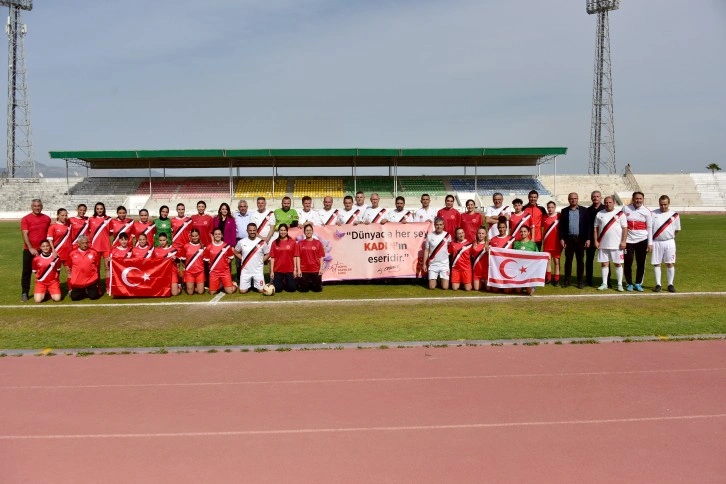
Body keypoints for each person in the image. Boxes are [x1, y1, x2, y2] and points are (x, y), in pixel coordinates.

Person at [20, 199, 52, 302]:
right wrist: (30, 247)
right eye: (35, 206)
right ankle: (25, 292)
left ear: (42, 207)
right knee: (27, 271)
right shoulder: (26, 219)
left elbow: (49, 233)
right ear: (31, 207)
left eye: (39, 206)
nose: (37, 207)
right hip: (29, 250)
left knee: (45, 271)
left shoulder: (47, 218)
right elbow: (25, 234)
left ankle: (46, 290)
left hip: (44, 250)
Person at [593, 195, 627, 292]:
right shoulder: (599, 213)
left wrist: (623, 241)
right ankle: (604, 283)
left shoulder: (620, 214)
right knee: (604, 264)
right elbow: (595, 228)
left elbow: (625, 228)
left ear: (614, 203)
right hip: (603, 243)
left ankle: (620, 284)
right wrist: (595, 240)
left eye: (610, 202)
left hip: (617, 244)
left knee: (618, 264)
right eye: (606, 203)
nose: (608, 204)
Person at [559, 193, 590, 289]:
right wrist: (561, 239)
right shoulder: (564, 211)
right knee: (568, 261)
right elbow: (561, 227)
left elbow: (588, 226)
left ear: (578, 199)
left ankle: (580, 281)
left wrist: (588, 239)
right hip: (569, 239)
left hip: (580, 239)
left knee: (580, 261)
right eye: (571, 199)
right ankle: (567, 281)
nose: (573, 200)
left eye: (575, 198)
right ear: (568, 200)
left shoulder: (584, 210)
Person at [622, 191, 653, 292]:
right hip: (628, 240)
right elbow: (622, 225)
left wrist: (650, 243)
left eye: (640, 199)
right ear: (633, 199)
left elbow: (649, 228)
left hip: (642, 240)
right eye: (636, 198)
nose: (638, 200)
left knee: (641, 263)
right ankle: (629, 283)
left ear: (643, 199)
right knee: (628, 262)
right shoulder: (626, 208)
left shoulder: (647, 211)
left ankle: (638, 283)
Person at [651, 195, 680, 293]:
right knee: (657, 263)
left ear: (669, 204)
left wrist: (668, 236)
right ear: (659, 204)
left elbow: (677, 229)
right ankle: (658, 284)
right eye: (661, 204)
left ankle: (670, 284)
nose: (663, 206)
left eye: (665, 204)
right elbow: (650, 228)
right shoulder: (653, 213)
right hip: (656, 242)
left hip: (669, 242)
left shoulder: (674, 215)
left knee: (669, 263)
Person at [234, 223, 270, 294]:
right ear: (247, 230)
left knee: (261, 291)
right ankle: (235, 284)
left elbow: (268, 254)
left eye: (254, 230)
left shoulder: (262, 242)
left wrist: (261, 261)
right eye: (250, 230)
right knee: (242, 291)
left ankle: (254, 284)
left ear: (256, 230)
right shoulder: (241, 242)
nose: (252, 232)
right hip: (245, 271)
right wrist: (243, 259)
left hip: (258, 271)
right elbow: (236, 252)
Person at [67, 235, 102, 301]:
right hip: (78, 281)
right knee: (74, 298)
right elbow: (70, 265)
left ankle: (91, 289)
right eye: (83, 243)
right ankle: (83, 291)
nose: (85, 245)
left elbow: (97, 265)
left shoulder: (94, 252)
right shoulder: (72, 253)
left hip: (90, 281)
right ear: (78, 244)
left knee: (94, 297)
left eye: (86, 243)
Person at [204, 228, 236, 295]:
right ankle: (221, 284)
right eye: (215, 234)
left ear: (222, 235)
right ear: (213, 236)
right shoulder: (209, 247)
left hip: (225, 272)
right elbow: (207, 260)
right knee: (212, 292)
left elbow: (231, 258)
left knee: (229, 291)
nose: (217, 235)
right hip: (214, 273)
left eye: (219, 234)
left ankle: (234, 284)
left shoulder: (227, 246)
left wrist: (224, 264)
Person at [422, 217, 451, 290]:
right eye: (437, 225)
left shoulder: (448, 236)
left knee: (445, 287)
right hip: (433, 264)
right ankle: (435, 280)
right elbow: (426, 250)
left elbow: (451, 249)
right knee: (431, 287)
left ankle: (441, 280)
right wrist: (424, 264)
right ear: (434, 225)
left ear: (443, 225)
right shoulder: (430, 236)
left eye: (441, 225)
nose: (439, 226)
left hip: (444, 264)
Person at [295, 223, 325, 292]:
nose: (308, 232)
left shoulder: (318, 243)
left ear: (312, 231)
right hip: (304, 270)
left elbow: (321, 257)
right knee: (304, 290)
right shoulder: (300, 243)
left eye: (310, 230)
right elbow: (298, 257)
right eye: (307, 230)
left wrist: (321, 268)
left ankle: (316, 284)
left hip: (315, 270)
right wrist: (298, 269)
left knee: (317, 290)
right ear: (304, 232)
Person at [586, 190, 607, 286]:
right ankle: (588, 280)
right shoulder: (588, 210)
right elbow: (586, 226)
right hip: (591, 238)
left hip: (604, 239)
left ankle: (606, 281)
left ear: (600, 198)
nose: (595, 198)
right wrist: (588, 239)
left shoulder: (605, 209)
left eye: (597, 196)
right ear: (591, 198)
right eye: (594, 196)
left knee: (605, 260)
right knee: (589, 260)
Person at [269, 224, 297, 292]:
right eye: (281, 230)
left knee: (292, 289)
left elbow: (295, 256)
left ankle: (287, 282)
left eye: (284, 230)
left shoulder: (292, 242)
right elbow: (272, 258)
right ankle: (281, 283)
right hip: (278, 270)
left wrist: (295, 269)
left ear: (287, 231)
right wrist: (272, 271)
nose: (283, 232)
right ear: (279, 231)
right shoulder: (274, 243)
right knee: (278, 289)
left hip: (289, 270)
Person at [47, 208, 72, 284]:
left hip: (68, 253)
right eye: (62, 215)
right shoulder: (53, 226)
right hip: (57, 253)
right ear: (58, 215)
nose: (64, 217)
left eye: (66, 215)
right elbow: (50, 240)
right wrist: (53, 251)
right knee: (56, 272)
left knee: (69, 271)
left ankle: (71, 289)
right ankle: (56, 288)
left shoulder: (69, 224)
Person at [512, 226, 538, 295]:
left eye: (525, 231)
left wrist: (546, 256)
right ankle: (521, 285)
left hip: (529, 271)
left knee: (529, 292)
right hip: (519, 271)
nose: (523, 233)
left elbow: (538, 257)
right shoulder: (516, 244)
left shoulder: (533, 244)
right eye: (521, 231)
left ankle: (532, 285)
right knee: (517, 291)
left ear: (528, 232)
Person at [88, 202, 112, 275]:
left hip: (106, 246)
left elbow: (111, 233)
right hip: (95, 247)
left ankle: (108, 286)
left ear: (104, 209)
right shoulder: (91, 219)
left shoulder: (108, 219)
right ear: (95, 210)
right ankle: (97, 286)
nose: (99, 210)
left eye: (101, 209)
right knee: (96, 267)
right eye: (97, 209)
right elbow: (88, 232)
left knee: (108, 267)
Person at [180, 228, 205, 295]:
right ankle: (188, 286)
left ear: (199, 236)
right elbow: (183, 259)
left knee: (200, 292)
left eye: (196, 235)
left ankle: (195, 286)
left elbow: (206, 259)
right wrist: (185, 268)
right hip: (189, 272)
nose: (194, 237)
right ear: (190, 236)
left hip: (200, 271)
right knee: (190, 292)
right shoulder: (186, 246)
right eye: (193, 236)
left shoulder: (203, 246)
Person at [541, 201, 561, 286]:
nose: (550, 209)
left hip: (556, 243)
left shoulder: (559, 216)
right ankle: (548, 278)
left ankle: (556, 279)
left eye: (552, 207)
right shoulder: (544, 217)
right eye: (549, 207)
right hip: (547, 242)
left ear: (555, 207)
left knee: (556, 261)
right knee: (548, 261)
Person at [155, 232, 181, 296]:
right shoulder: (156, 250)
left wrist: (175, 259)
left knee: (174, 293)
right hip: (162, 273)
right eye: (160, 240)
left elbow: (179, 262)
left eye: (164, 240)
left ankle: (179, 286)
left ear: (167, 239)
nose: (162, 242)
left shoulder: (173, 250)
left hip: (172, 273)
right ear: (158, 240)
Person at [449, 227, 472, 291]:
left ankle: (464, 283)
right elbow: (448, 253)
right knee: (454, 288)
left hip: (466, 268)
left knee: (468, 289)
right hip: (456, 268)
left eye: (462, 233)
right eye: (459, 233)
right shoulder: (452, 243)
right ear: (456, 235)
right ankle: (461, 282)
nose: (461, 235)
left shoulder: (470, 244)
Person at [470, 227, 488, 292]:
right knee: (476, 288)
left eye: (483, 233)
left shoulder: (488, 244)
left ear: (486, 234)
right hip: (477, 270)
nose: (481, 235)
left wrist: (488, 250)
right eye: (479, 233)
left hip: (485, 270)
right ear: (477, 234)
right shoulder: (474, 244)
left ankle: (483, 282)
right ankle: (481, 283)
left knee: (488, 289)